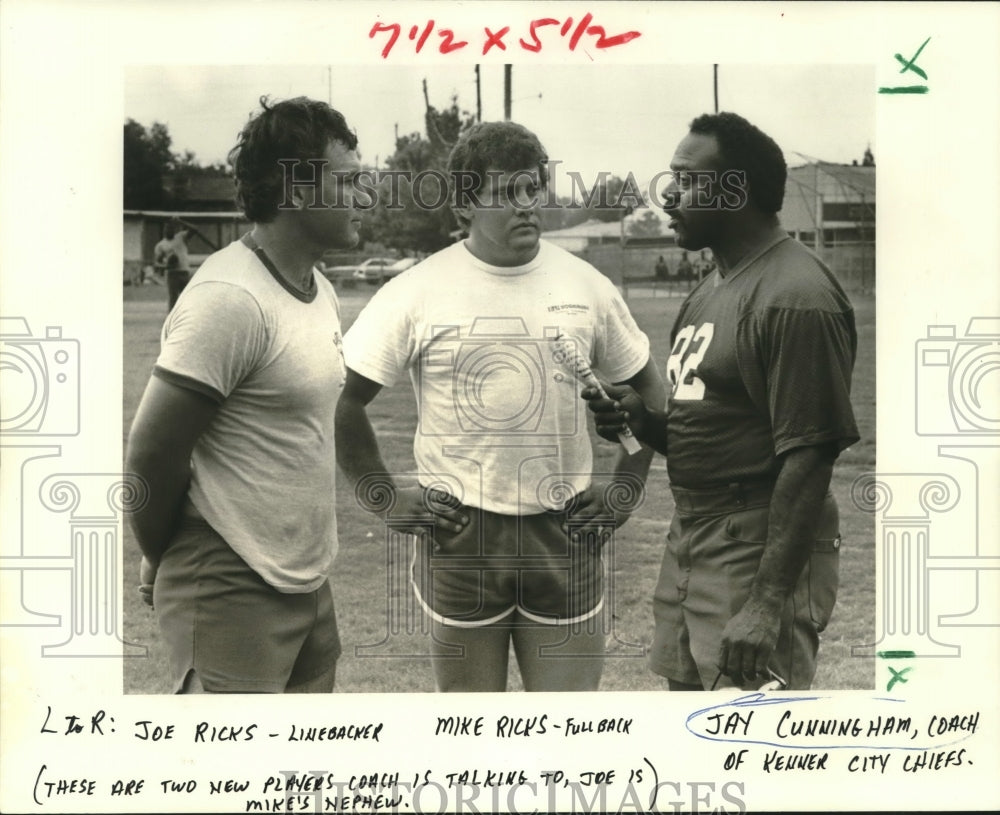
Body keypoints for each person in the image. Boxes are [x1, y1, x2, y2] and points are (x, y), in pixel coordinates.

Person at [336, 121, 665, 692]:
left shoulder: (585, 285)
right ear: (465, 205)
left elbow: (651, 396)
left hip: (565, 533)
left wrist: (624, 490)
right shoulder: (417, 289)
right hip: (461, 536)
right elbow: (345, 402)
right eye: (507, 193)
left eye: (534, 189)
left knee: (566, 738)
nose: (527, 207)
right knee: (472, 734)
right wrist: (384, 497)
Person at [584, 112, 859, 691]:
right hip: (694, 534)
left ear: (735, 190)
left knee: (750, 743)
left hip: (756, 545)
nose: (669, 195)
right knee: (689, 729)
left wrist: (765, 604)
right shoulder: (711, 287)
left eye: (685, 179)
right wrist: (642, 420)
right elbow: (702, 430)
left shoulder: (795, 297)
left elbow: (810, 456)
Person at [126, 96, 368, 693]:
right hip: (228, 580)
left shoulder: (319, 289)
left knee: (303, 779)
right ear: (295, 190)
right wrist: (163, 554)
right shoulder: (231, 298)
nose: (365, 197)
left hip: (307, 580)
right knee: (229, 781)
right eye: (350, 182)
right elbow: (151, 456)